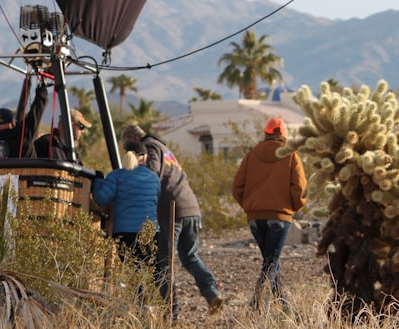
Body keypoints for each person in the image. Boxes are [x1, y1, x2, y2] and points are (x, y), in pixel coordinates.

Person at [121, 123, 224, 318]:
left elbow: (151, 175)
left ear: (135, 141)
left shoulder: (150, 146)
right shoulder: (166, 149)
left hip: (170, 212)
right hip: (191, 209)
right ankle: (211, 292)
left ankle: (171, 313)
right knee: (190, 257)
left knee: (163, 263)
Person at [232, 117, 308, 310]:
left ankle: (283, 306)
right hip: (280, 218)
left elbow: (237, 187)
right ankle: (257, 304)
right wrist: (293, 208)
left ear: (266, 133)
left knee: (270, 260)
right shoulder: (291, 155)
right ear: (283, 135)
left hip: (255, 218)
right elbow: (300, 188)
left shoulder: (251, 155)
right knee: (271, 261)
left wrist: (250, 206)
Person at [91, 144, 163, 305]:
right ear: (144, 157)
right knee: (154, 274)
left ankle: (140, 308)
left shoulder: (116, 176)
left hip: (124, 233)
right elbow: (156, 198)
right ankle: (159, 310)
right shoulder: (154, 178)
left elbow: (101, 199)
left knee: (134, 274)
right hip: (150, 231)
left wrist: (97, 181)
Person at [0, 82, 48, 158]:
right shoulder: (22, 136)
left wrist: (28, 84)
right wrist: (42, 89)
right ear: (13, 123)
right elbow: (35, 114)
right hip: (27, 170)